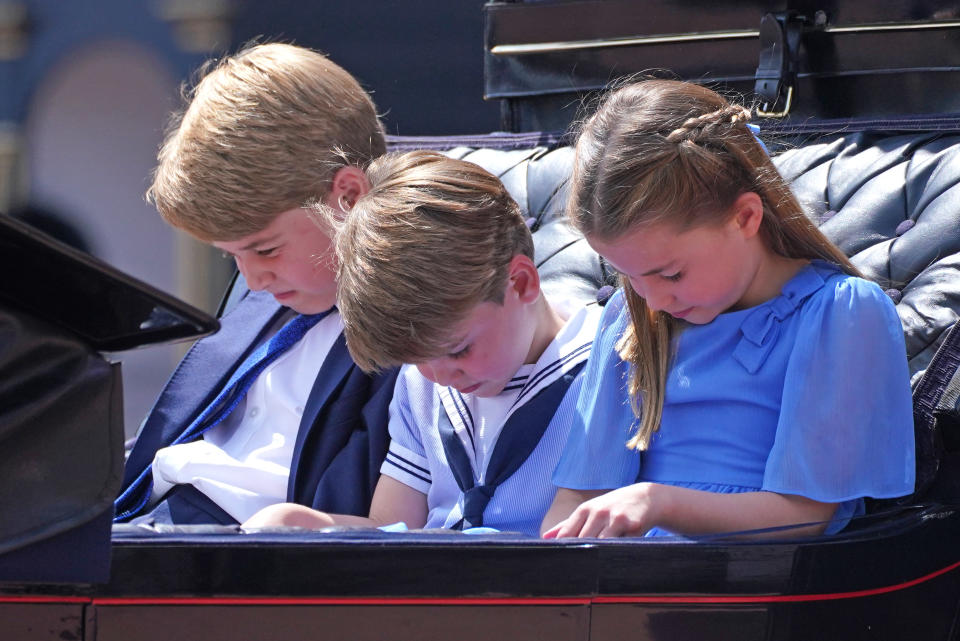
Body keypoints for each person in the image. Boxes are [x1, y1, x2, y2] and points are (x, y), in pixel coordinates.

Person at [541, 79, 915, 539]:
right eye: (629, 275)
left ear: (746, 218)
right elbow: (577, 496)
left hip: (754, 588)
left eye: (671, 274)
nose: (654, 298)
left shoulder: (839, 314)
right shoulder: (632, 316)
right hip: (626, 583)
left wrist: (659, 502)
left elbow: (805, 517)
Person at [243, 151, 602, 536]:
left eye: (459, 349)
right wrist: (302, 523)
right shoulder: (422, 382)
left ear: (520, 283)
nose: (441, 376)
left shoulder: (606, 368)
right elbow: (392, 525)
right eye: (418, 361)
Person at [114, 42, 398, 526]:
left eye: (265, 249)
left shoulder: (413, 326)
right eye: (231, 257)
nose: (251, 279)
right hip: (144, 520)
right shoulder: (276, 293)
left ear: (348, 196)